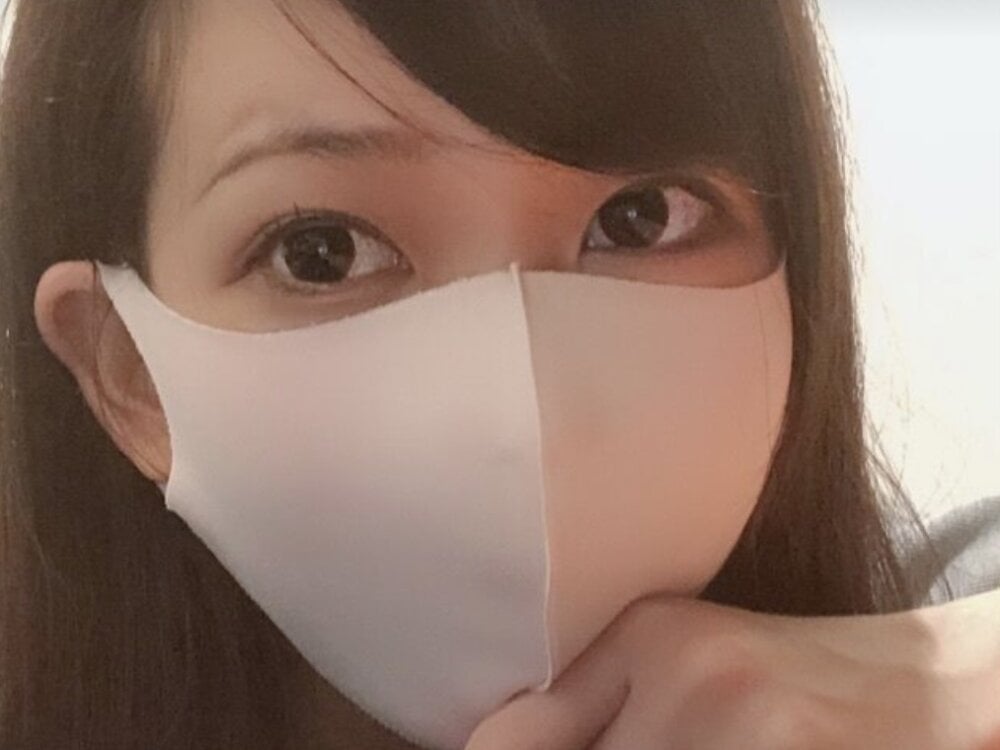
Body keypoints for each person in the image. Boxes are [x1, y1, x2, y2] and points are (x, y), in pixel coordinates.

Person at [0, 0, 997, 748]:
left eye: (641, 218)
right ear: (130, 373)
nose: (521, 418)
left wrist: (950, 680)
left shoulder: (936, 614)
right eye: (322, 251)